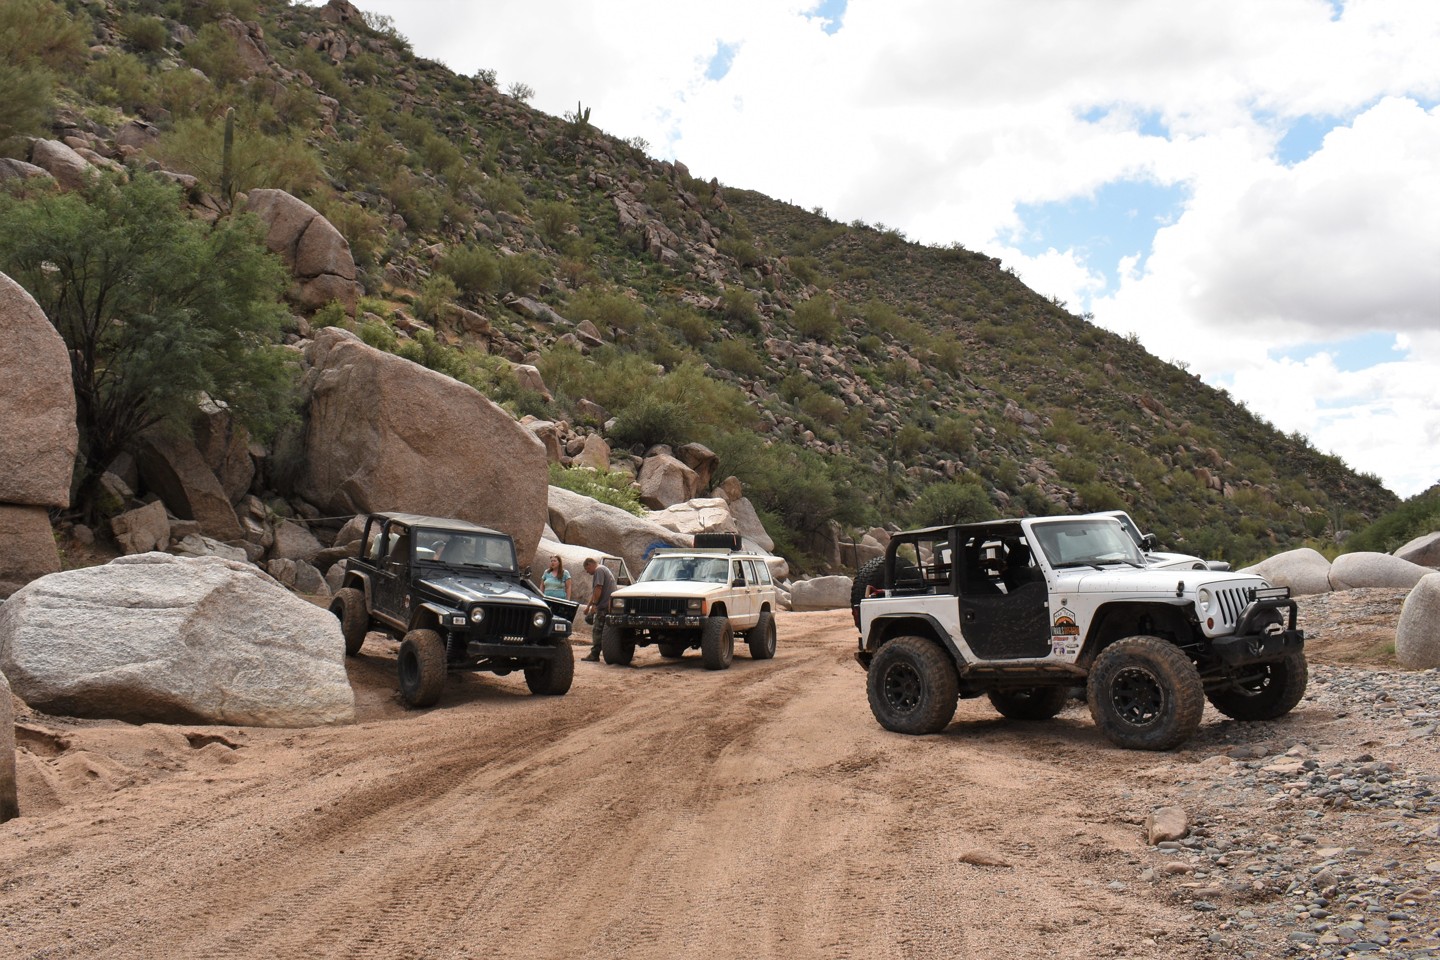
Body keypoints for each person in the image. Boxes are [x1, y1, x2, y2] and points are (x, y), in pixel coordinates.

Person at [581, 557, 617, 662]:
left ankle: (594, 654)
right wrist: (588, 606)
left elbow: (598, 589)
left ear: (589, 564)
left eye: (587, 569)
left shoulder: (599, 570)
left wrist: (595, 605)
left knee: (597, 630)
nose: (588, 572)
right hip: (607, 605)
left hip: (604, 606)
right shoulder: (603, 569)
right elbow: (595, 592)